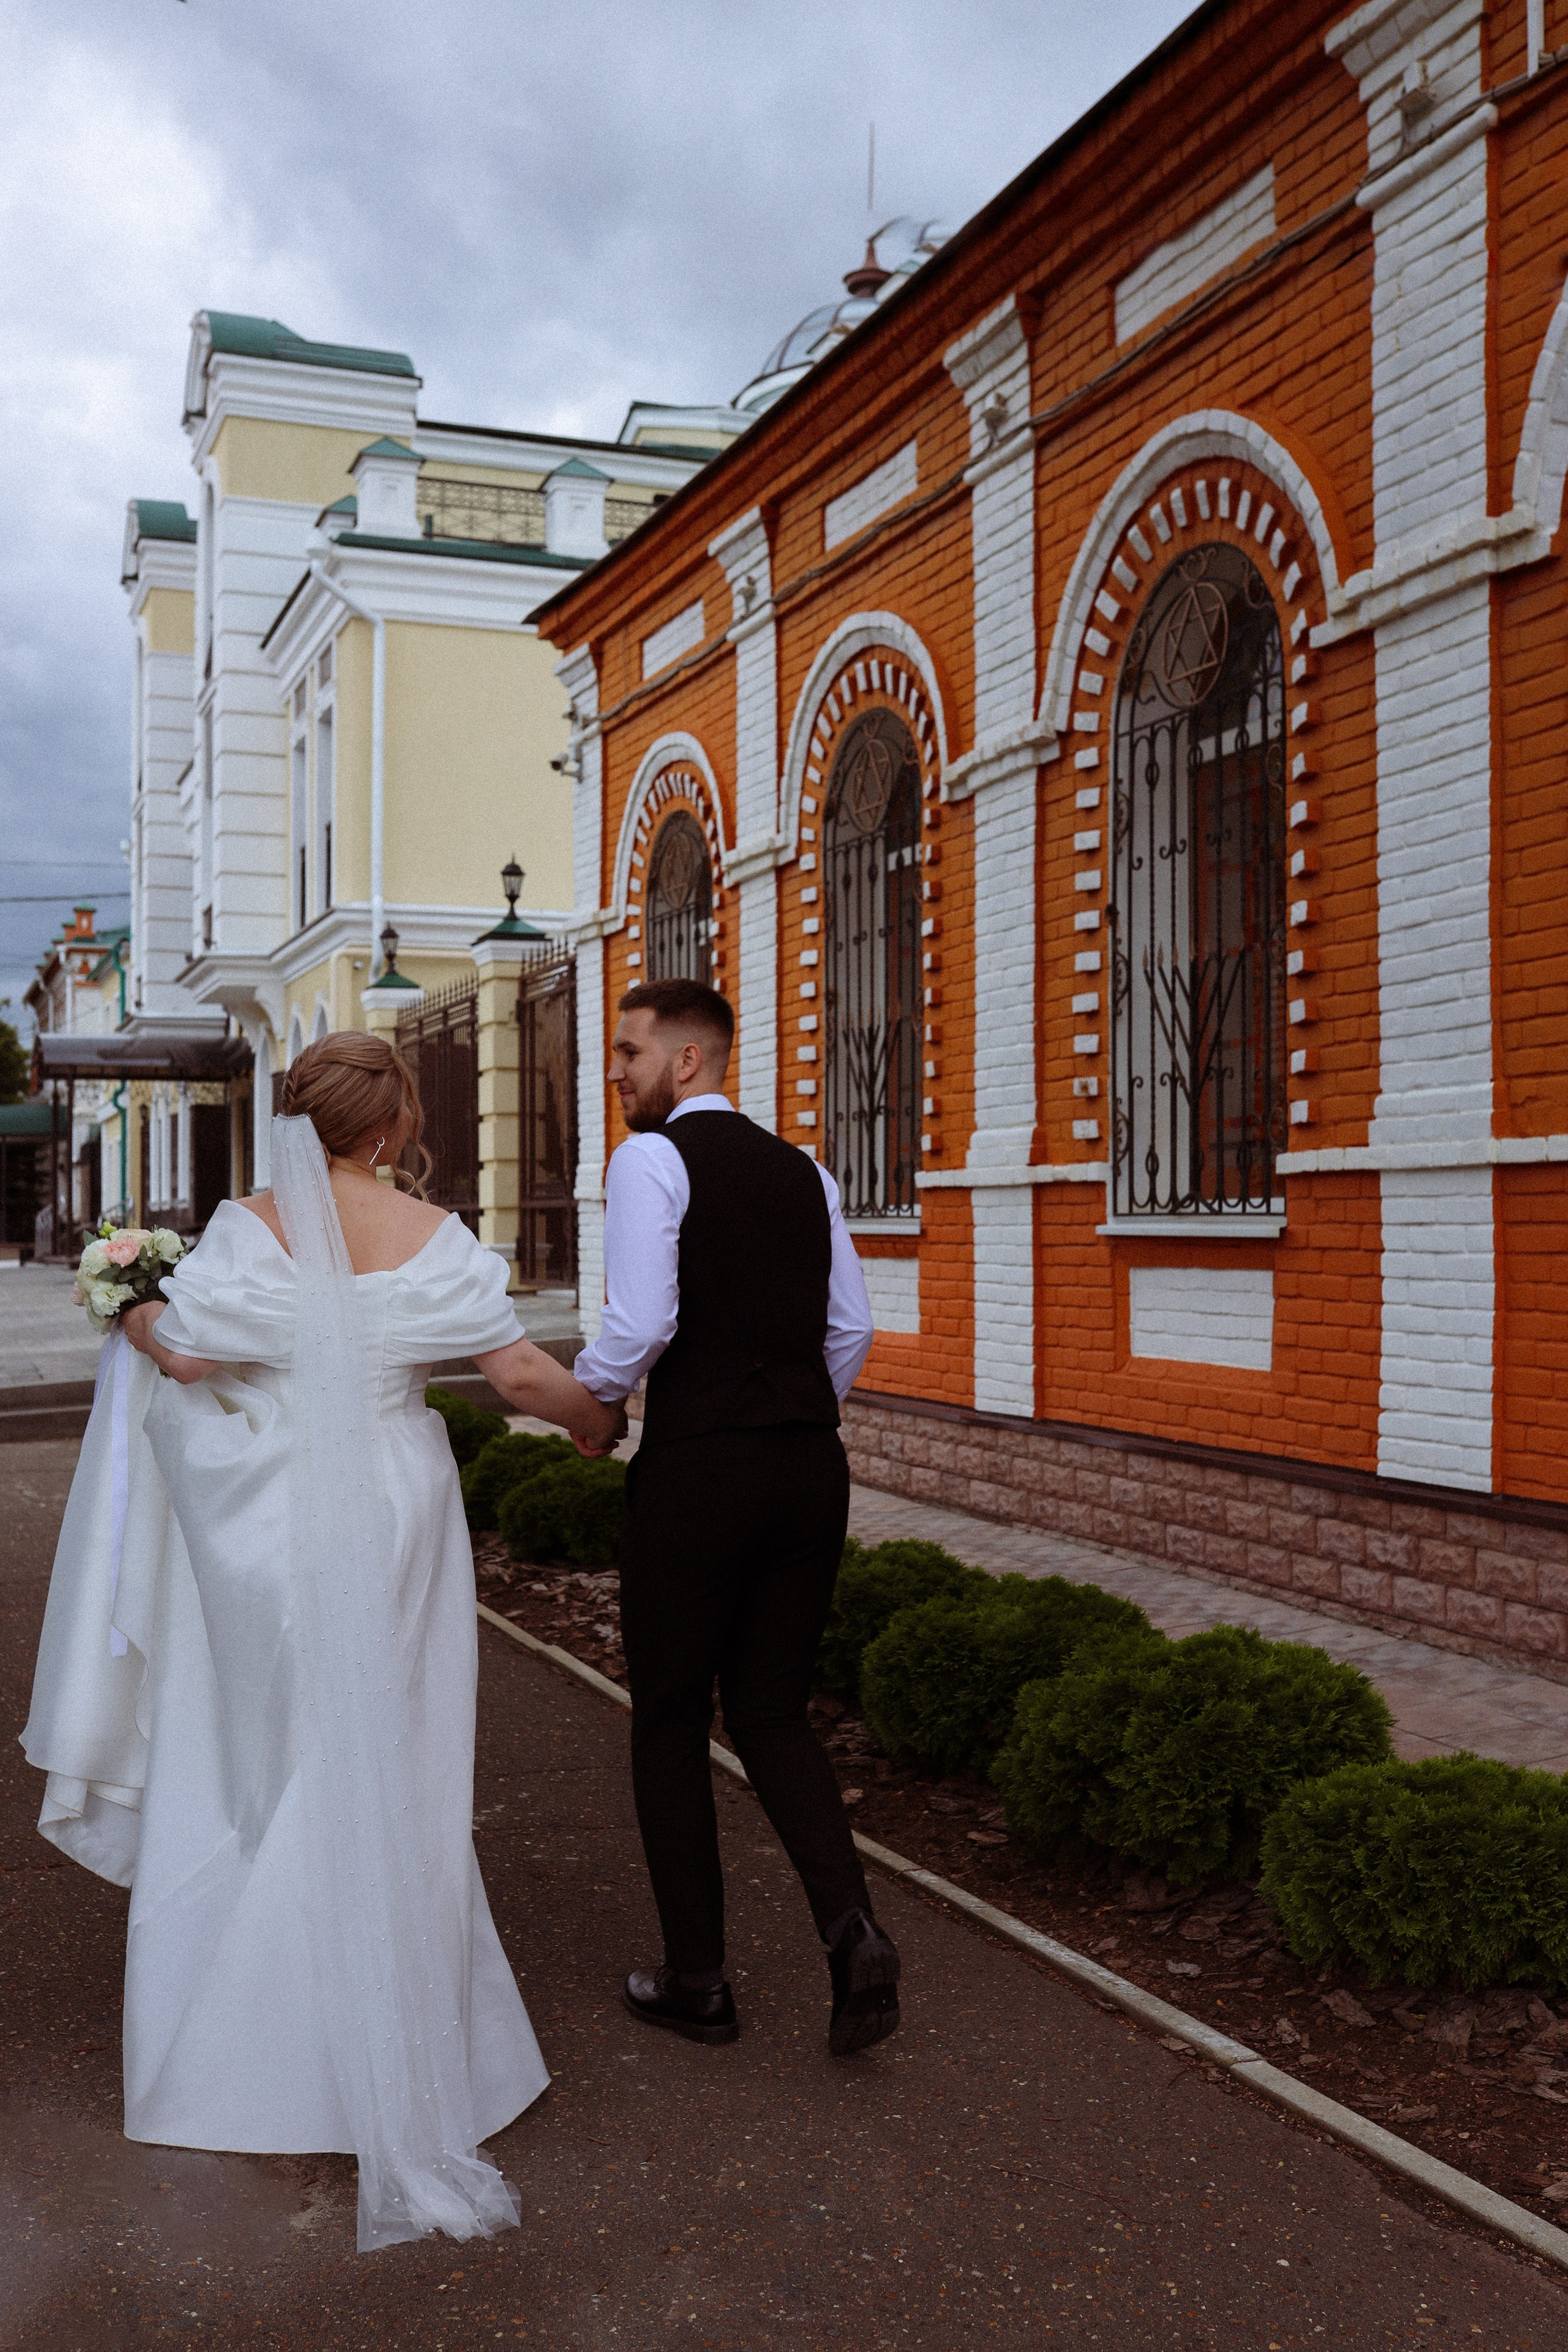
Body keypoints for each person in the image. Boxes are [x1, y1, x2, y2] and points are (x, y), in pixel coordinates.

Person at [22, 1033, 623, 2251]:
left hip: (267, 1525)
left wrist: (130, 1308)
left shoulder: (244, 1230)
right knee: (391, 1756)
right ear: (393, 1126)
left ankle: (251, 2055)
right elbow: (513, 1373)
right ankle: (394, 2048)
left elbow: (189, 1356)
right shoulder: (436, 1238)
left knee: (272, 1757)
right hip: (393, 1513)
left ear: (296, 1119)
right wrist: (595, 1423)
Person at [573, 978, 902, 2056]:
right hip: (810, 1466)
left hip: (700, 1469)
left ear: (687, 1063)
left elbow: (642, 1319)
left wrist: (597, 1398)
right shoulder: (807, 1170)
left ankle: (698, 1980)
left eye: (628, 1053)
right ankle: (852, 1932)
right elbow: (849, 1329)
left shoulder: (649, 1159)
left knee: (671, 1715)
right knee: (772, 1712)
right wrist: (792, 1414)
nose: (615, 1073)